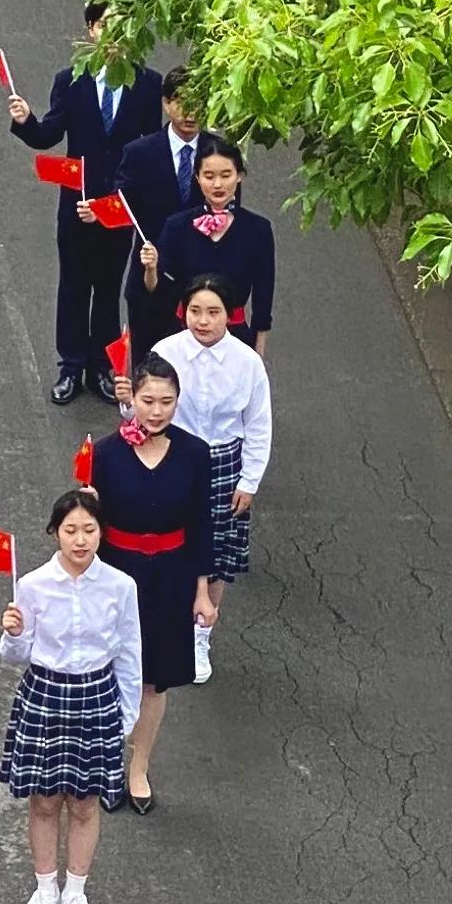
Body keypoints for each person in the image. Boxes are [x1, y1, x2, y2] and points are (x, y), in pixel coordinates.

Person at [0, 490, 143, 904]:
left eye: (89, 529)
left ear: (101, 531)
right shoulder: (33, 584)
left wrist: (127, 714)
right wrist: (14, 633)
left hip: (97, 695)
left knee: (84, 802)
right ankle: (45, 890)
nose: (80, 540)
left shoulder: (121, 586)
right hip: (45, 693)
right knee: (43, 800)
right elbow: (13, 656)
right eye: (70, 531)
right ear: (54, 533)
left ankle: (75, 893)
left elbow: (130, 653)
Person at [5, 1, 163, 404]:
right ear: (91, 30)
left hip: (118, 207)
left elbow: (150, 147)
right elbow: (49, 135)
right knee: (74, 286)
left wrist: (128, 200)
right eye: (106, 25)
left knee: (109, 289)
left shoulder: (147, 84)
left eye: (124, 26)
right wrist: (26, 121)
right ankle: (71, 366)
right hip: (77, 204)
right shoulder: (70, 81)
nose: (114, 34)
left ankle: (102, 367)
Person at [90, 356, 218, 812]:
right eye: (148, 400)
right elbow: (87, 528)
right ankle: (107, 764)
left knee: (153, 682)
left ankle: (138, 767)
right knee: (107, 676)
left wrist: (202, 591)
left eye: (167, 401)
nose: (157, 410)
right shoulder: (104, 453)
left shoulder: (195, 453)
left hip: (171, 576)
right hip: (117, 575)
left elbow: (203, 525)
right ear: (132, 398)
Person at [150, 276, 275, 677]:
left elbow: (258, 425)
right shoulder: (164, 352)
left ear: (229, 315)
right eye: (195, 311)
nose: (202, 321)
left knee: (217, 554)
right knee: (167, 542)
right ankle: (162, 624)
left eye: (213, 312)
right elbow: (145, 411)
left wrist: (249, 481)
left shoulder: (247, 362)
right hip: (172, 456)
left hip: (223, 463)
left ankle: (200, 634)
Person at [134, 131, 277, 355]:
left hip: (234, 341)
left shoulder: (258, 229)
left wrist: (257, 359)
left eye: (226, 175)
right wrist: (151, 269)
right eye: (209, 176)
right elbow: (156, 290)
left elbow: (263, 300)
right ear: (197, 178)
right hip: (182, 338)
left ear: (239, 176)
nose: (217, 184)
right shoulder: (177, 225)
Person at [113, 67, 205, 356]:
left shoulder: (220, 156)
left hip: (202, 289)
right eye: (181, 102)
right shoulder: (139, 153)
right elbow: (122, 204)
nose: (189, 112)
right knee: (148, 375)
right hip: (149, 282)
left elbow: (230, 216)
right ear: (166, 103)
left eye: (197, 102)